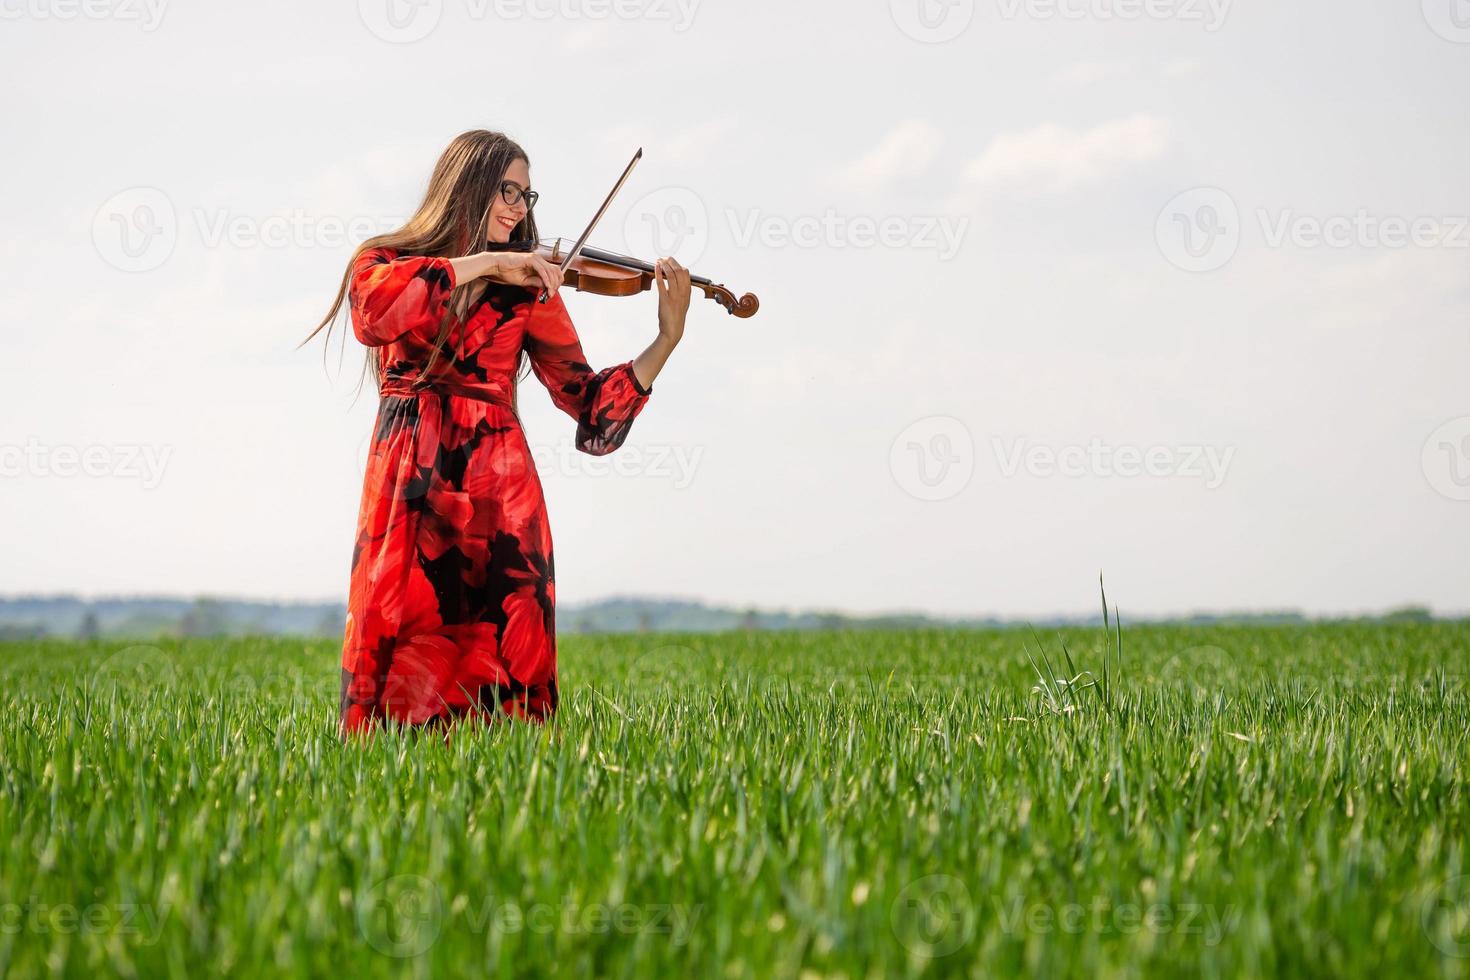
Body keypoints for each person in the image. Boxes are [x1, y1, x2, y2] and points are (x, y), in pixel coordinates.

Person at [303, 129, 691, 735]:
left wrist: (665, 340)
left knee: (505, 682)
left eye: (527, 195)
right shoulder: (385, 264)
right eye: (507, 189)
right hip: (410, 488)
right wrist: (487, 262)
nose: (519, 207)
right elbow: (373, 314)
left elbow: (591, 412)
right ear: (465, 187)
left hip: (499, 496)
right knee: (396, 655)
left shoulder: (529, 290)